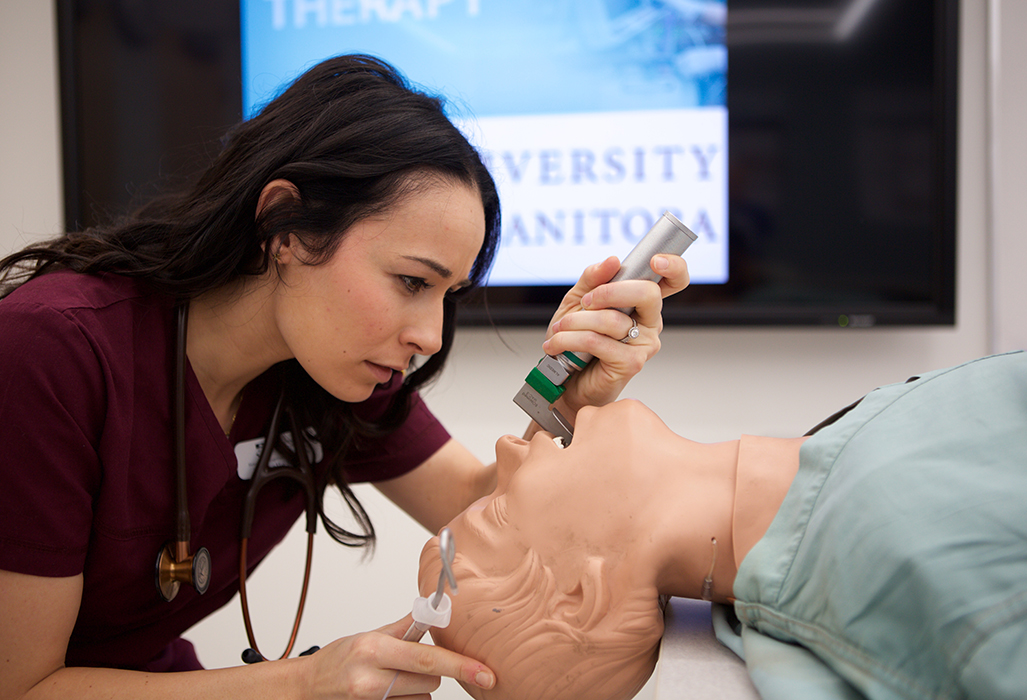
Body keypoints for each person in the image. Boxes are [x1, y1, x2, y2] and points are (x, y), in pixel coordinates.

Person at [0, 54, 691, 700]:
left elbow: (479, 506)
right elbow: (22, 687)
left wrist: (563, 396)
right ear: (285, 226)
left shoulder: (329, 375)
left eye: (446, 295)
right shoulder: (53, 351)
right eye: (411, 281)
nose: (429, 336)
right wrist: (305, 682)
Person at [418, 350, 1027, 700]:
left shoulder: (829, 489)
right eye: (499, 511)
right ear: (587, 592)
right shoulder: (912, 557)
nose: (506, 446)